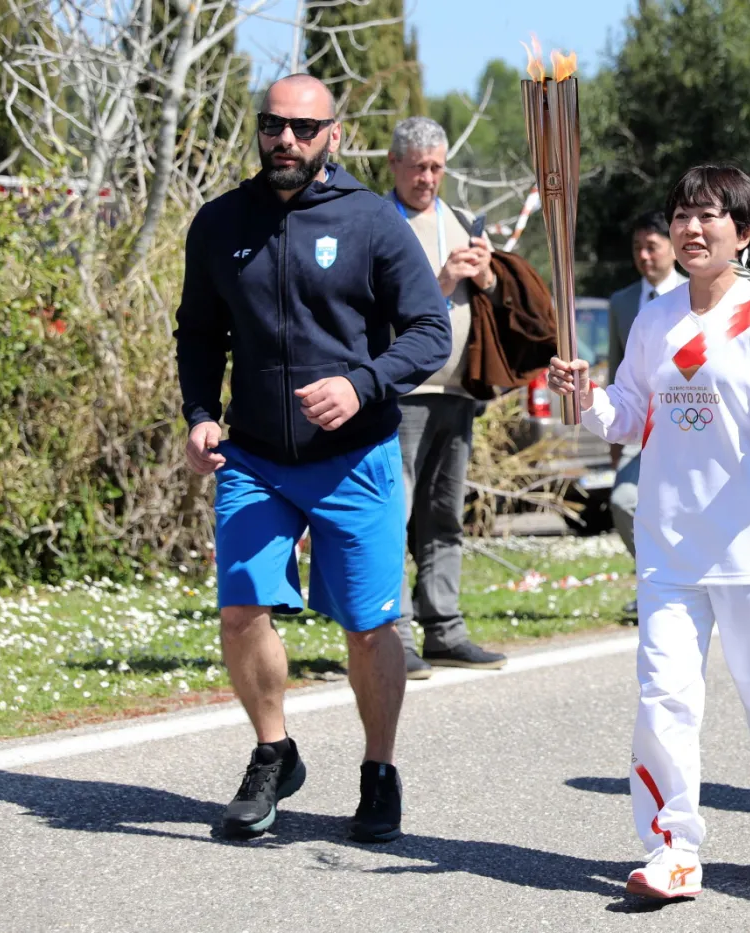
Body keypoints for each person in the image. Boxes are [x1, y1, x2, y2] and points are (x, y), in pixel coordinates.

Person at [545, 163, 750, 899]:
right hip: (671, 544)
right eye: (681, 214)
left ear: (744, 231)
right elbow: (629, 415)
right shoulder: (655, 317)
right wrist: (584, 398)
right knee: (664, 696)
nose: (691, 227)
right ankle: (673, 844)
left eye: (709, 216)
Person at [175, 75, 452, 842]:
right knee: (241, 609)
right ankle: (272, 753)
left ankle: (379, 768)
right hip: (255, 456)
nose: (284, 141)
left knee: (370, 628)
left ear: (334, 132)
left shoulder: (371, 221)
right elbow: (199, 332)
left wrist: (363, 385)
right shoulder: (221, 222)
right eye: (272, 126)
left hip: (354, 457)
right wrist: (201, 414)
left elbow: (430, 330)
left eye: (302, 128)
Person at [384, 116, 508, 678]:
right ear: (394, 166)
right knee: (394, 515)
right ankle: (392, 635)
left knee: (444, 516)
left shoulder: (461, 221)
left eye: (437, 167)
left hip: (457, 390)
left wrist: (485, 278)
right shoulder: (377, 223)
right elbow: (366, 309)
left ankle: (445, 629)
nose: (428, 178)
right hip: (401, 393)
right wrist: (438, 282)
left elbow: (497, 301)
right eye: (418, 168)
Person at [607, 211, 687, 620]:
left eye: (651, 246)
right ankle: (656, 581)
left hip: (691, 428)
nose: (643, 255)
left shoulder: (697, 294)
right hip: (643, 433)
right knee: (624, 499)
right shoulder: (622, 302)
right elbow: (616, 373)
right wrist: (614, 442)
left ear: (672, 248)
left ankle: (687, 584)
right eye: (637, 248)